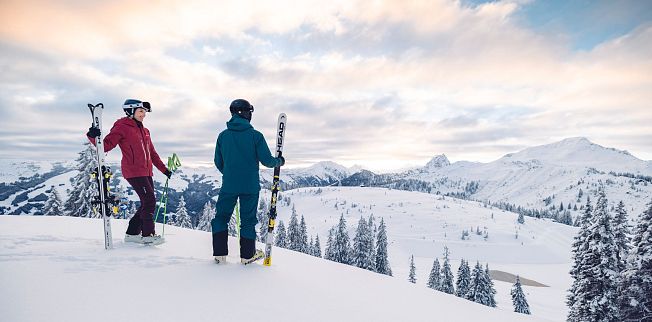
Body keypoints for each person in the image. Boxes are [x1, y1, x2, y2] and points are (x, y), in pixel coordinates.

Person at [86, 99, 171, 245]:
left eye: (144, 112)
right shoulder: (122, 127)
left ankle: (132, 234)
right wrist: (92, 136)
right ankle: (148, 235)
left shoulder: (145, 131)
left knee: (147, 202)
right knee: (149, 201)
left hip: (146, 171)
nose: (143, 115)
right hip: (133, 171)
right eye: (140, 111)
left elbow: (152, 153)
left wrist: (164, 170)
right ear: (130, 111)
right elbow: (105, 146)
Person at [212, 99, 285, 264]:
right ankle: (247, 256)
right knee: (248, 220)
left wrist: (230, 173)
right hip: (250, 186)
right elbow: (267, 161)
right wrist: (279, 161)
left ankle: (219, 255)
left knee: (221, 217)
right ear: (245, 113)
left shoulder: (223, 136)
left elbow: (218, 161)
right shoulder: (255, 136)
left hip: (229, 185)